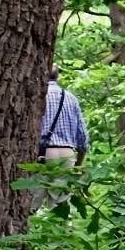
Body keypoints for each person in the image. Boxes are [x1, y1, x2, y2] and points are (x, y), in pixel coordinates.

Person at [34, 65, 88, 209]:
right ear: (57, 76)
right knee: (60, 206)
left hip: (41, 153)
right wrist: (78, 164)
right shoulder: (70, 98)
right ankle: (57, 230)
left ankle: (28, 229)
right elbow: (82, 136)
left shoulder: (36, 95)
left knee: (31, 202)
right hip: (66, 154)